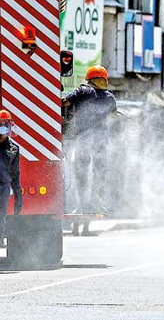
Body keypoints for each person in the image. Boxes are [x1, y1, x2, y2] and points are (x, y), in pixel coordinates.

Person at [62, 65, 117, 236]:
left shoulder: (83, 92)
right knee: (98, 174)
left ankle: (80, 210)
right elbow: (113, 117)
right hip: (100, 143)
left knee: (81, 177)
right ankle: (96, 201)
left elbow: (65, 102)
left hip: (83, 140)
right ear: (104, 80)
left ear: (89, 79)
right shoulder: (109, 98)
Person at [0, 110, 22, 248]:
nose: (2, 132)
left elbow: (15, 175)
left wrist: (18, 197)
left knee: (1, 215)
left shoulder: (13, 149)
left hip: (3, 187)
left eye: (5, 127)